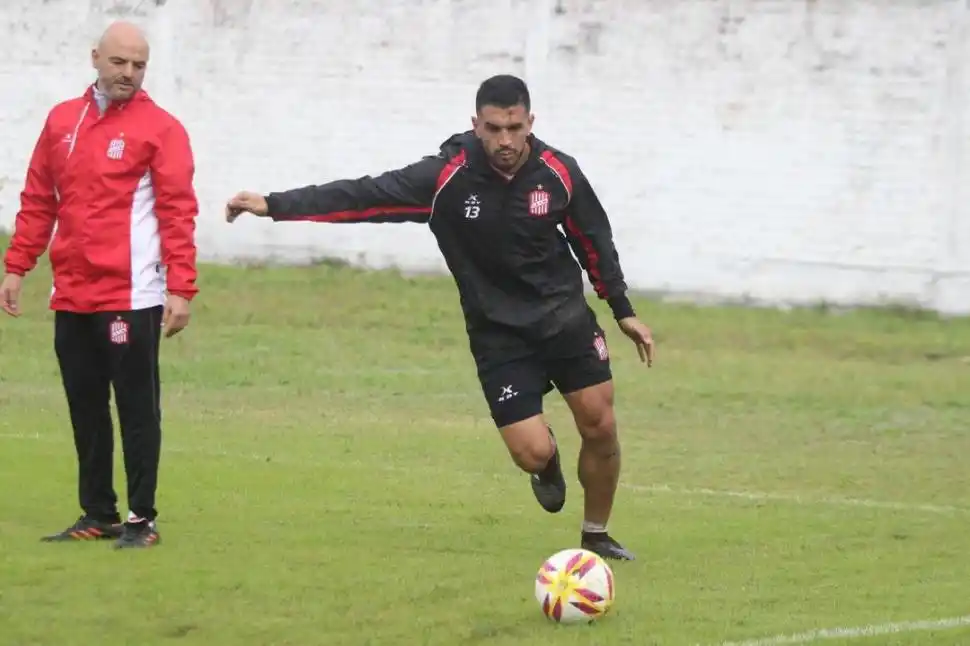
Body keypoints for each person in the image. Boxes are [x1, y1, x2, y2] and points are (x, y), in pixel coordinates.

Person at [224, 74, 653, 560]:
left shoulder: (558, 173)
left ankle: (596, 534)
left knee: (599, 425)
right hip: (499, 335)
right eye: (494, 128)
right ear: (475, 124)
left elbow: (594, 239)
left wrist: (622, 309)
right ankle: (546, 463)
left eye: (515, 128)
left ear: (531, 123)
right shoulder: (446, 177)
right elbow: (364, 196)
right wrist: (274, 205)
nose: (505, 140)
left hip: (565, 321)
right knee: (530, 451)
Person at [0, 20, 199, 549]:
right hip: (72, 294)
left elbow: (178, 211)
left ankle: (141, 518)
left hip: (130, 297)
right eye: (119, 62)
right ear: (95, 58)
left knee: (136, 408)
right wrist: (17, 266)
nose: (128, 72)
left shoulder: (162, 129)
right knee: (85, 405)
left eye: (139, 65)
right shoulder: (62, 120)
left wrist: (181, 287)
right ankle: (98, 512)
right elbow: (39, 200)